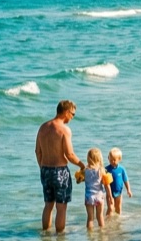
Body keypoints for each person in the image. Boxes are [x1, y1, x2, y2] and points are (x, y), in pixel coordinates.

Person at [35, 100, 84, 233]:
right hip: (60, 171)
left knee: (48, 205)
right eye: (72, 114)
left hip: (45, 170)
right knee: (61, 207)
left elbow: (37, 151)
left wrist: (42, 167)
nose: (73, 117)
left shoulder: (43, 127)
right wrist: (82, 165)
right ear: (66, 112)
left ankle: (45, 236)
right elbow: (70, 154)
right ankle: (60, 239)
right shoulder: (64, 130)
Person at [83, 147, 108, 230]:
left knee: (90, 218)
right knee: (100, 216)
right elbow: (106, 184)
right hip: (99, 196)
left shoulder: (85, 170)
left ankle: (90, 236)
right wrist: (110, 196)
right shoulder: (101, 170)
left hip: (88, 197)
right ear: (99, 159)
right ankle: (102, 234)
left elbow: (79, 180)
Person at [105, 147, 132, 216]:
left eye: (114, 160)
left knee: (118, 208)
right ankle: (107, 221)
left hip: (119, 193)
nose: (112, 162)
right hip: (109, 193)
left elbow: (125, 180)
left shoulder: (121, 169)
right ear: (108, 158)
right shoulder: (106, 169)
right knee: (110, 208)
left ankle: (117, 222)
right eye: (111, 160)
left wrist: (128, 190)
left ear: (119, 159)